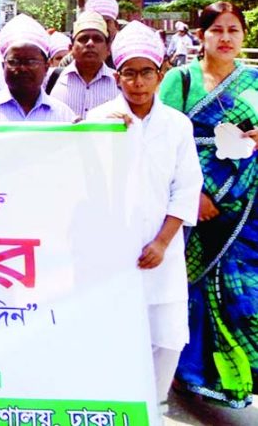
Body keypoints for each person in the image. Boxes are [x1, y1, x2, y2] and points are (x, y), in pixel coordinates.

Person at [87, 21, 203, 410]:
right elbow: (78, 179)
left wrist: (161, 242)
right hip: (112, 252)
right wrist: (97, 136)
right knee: (112, 338)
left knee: (166, 339)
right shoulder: (99, 120)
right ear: (117, 76)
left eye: (146, 72)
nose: (137, 82)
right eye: (129, 73)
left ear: (161, 72)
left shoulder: (177, 126)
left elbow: (186, 189)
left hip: (161, 253)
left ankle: (153, 409)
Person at [160, 1, 258, 408]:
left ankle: (237, 374)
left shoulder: (253, 81)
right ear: (201, 36)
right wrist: (193, 196)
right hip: (192, 203)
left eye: (233, 30)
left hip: (247, 207)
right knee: (193, 287)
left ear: (243, 36)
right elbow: (162, 143)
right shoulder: (181, 81)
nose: (225, 38)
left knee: (243, 290)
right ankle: (191, 373)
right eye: (216, 30)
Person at [0, 14, 75, 123]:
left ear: (46, 67)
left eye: (31, 62)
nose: (23, 68)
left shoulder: (64, 117)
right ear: (3, 66)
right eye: (14, 62)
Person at [49, 11, 119, 119]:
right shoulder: (50, 79)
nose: (90, 43)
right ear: (70, 48)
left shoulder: (120, 83)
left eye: (97, 39)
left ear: (108, 49)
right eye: (83, 39)